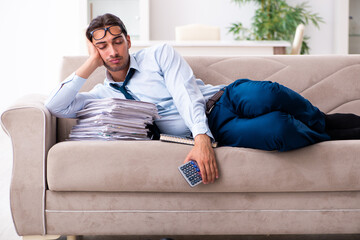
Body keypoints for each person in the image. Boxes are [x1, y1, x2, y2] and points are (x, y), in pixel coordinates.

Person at [45, 13, 360, 185]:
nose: (112, 51)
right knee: (279, 131)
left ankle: (325, 122)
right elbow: (55, 107)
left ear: (129, 40)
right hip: (221, 131)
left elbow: (185, 93)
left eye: (117, 41)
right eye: (102, 47)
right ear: (95, 50)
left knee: (267, 94)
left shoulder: (159, 55)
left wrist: (200, 138)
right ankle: (327, 132)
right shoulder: (103, 95)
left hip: (222, 100)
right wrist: (89, 64)